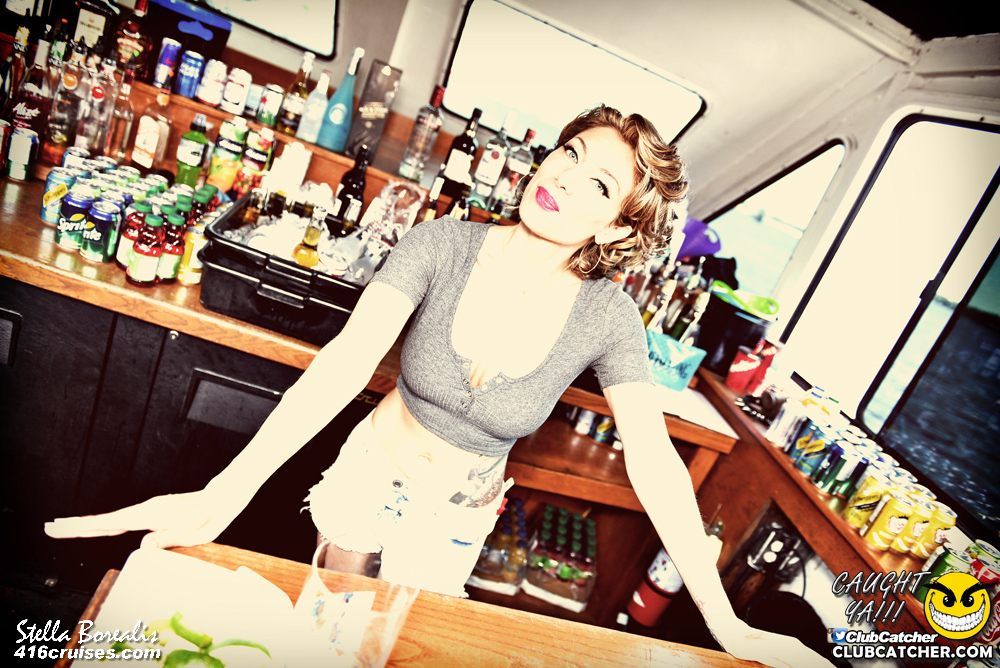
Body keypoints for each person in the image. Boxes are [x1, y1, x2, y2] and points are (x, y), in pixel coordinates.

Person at [46, 105, 833, 668]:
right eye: (569, 153)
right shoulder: (439, 244)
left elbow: (655, 462)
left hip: (458, 515)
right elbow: (347, 362)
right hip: (367, 477)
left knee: (394, 647)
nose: (563, 176)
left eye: (598, 185)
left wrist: (725, 621)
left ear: (619, 229)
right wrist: (229, 489)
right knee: (329, 638)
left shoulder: (610, 316)